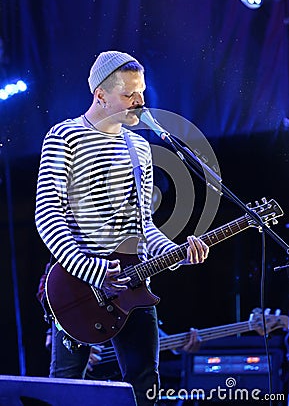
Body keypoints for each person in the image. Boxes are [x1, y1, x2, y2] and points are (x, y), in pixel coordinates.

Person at [35, 50, 209, 406]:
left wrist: (177, 254)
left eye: (141, 91)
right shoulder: (64, 136)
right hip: (77, 287)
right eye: (130, 94)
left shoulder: (139, 148)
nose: (140, 101)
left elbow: (145, 227)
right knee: (65, 389)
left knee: (146, 385)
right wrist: (96, 272)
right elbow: (48, 217)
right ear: (100, 95)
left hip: (134, 287)